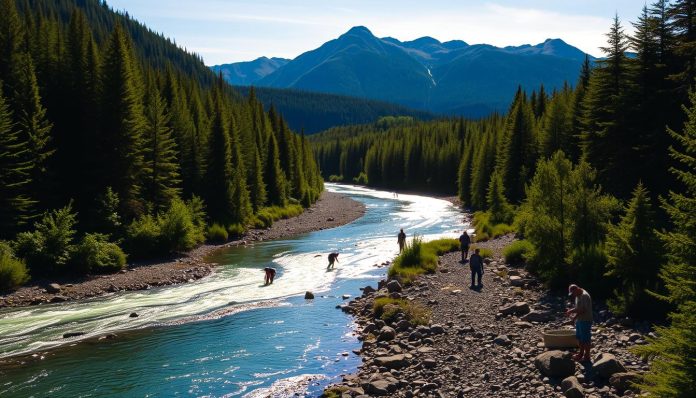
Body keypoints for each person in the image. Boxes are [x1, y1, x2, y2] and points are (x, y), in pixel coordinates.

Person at [566, 284, 593, 362]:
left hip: (586, 320)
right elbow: (578, 308)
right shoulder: (577, 296)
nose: (573, 295)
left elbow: (583, 310)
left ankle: (587, 356)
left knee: (586, 339)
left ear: (577, 289)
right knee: (579, 337)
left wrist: (571, 311)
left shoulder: (585, 296)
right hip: (579, 320)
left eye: (573, 293)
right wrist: (574, 318)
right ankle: (581, 354)